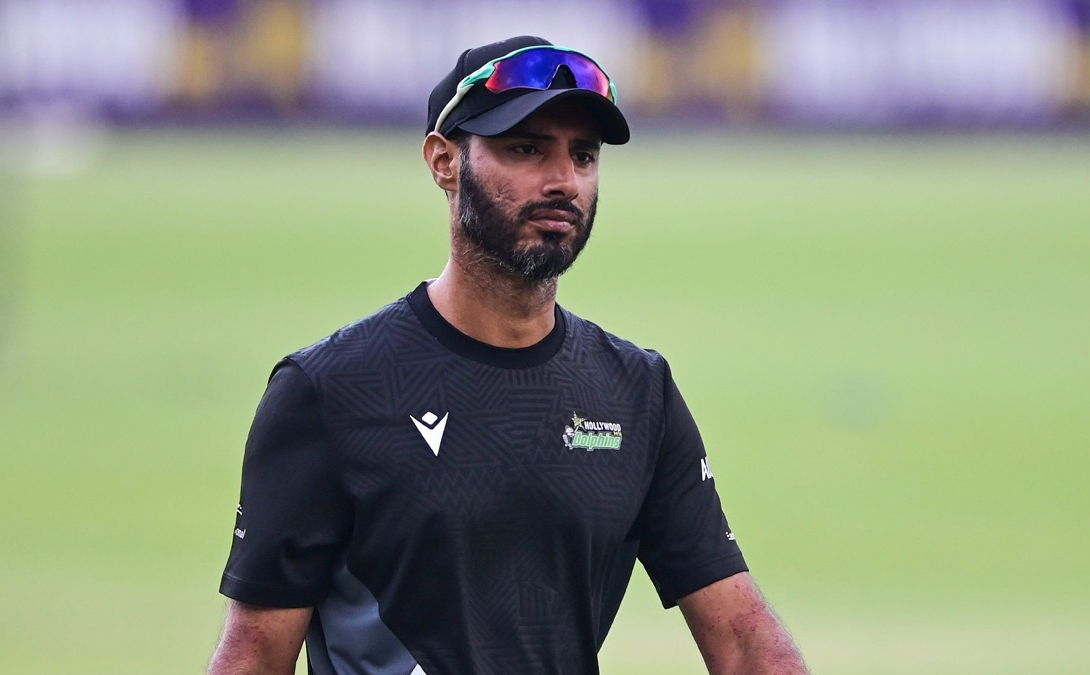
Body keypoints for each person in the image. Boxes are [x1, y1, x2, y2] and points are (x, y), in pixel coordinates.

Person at [207, 35, 810, 675]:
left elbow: (745, 644)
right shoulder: (329, 390)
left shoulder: (637, 393)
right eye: (526, 149)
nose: (564, 182)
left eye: (583, 155)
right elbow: (255, 657)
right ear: (444, 162)